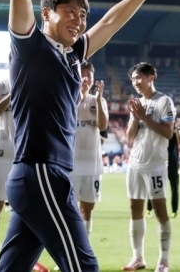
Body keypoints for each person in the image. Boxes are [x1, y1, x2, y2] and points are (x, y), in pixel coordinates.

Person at [0, 0, 160, 272]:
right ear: (47, 13)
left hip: (41, 176)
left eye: (82, 14)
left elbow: (110, 24)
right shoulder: (30, 46)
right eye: (70, 12)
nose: (80, 20)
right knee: (85, 268)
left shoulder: (71, 55)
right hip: (40, 173)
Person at [0, 78, 49, 272]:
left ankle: (27, 258)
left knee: (27, 209)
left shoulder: (35, 83)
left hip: (26, 153)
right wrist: (14, 92)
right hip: (1, 153)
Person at [122, 63, 175, 272]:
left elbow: (169, 133)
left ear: (151, 77)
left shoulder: (164, 101)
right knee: (135, 210)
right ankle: (138, 258)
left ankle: (163, 261)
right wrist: (135, 117)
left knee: (161, 212)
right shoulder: (137, 104)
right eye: (133, 79)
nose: (135, 82)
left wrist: (144, 117)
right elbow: (129, 137)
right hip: (135, 163)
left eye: (139, 78)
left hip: (156, 165)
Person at [71, 62, 108, 235]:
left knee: (87, 210)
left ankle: (82, 254)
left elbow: (102, 126)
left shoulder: (98, 101)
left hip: (93, 165)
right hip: (71, 165)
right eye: (82, 74)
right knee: (70, 211)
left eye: (89, 75)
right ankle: (68, 254)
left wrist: (99, 99)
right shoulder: (68, 99)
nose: (86, 78)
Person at [146, 118, 180, 219]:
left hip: (173, 161)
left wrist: (177, 130)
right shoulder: (161, 126)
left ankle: (175, 211)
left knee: (175, 188)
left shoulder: (177, 127)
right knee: (154, 186)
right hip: (160, 160)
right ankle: (149, 210)